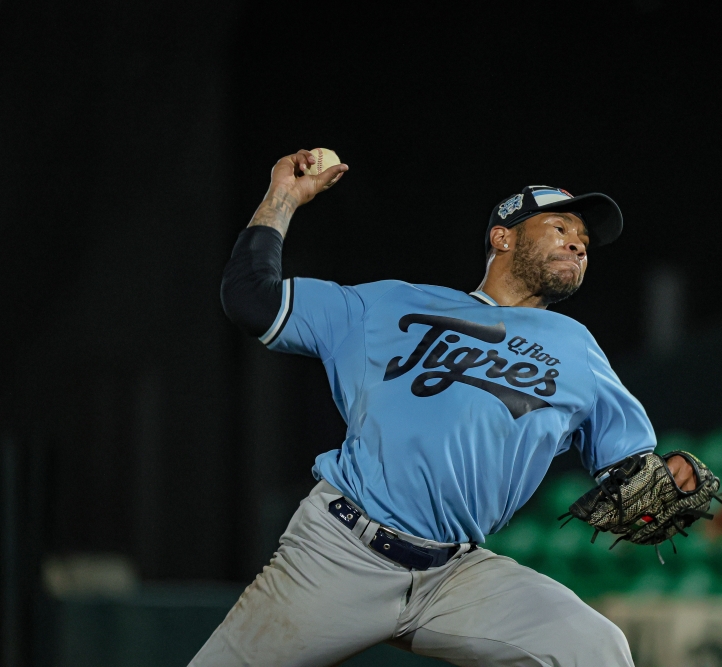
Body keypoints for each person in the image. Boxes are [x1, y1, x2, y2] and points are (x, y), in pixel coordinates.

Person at [190, 149, 696, 667]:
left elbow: (630, 469)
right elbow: (251, 299)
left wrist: (664, 480)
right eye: (561, 226)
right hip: (339, 551)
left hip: (455, 575)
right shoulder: (387, 304)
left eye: (585, 241)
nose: (578, 244)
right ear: (503, 236)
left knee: (594, 648)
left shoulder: (577, 348)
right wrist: (284, 197)